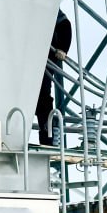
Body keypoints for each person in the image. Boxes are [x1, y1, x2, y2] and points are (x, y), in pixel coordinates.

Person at [36, 9, 72, 146]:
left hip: (46, 54)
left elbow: (64, 25)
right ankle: (48, 135)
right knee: (41, 93)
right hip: (30, 53)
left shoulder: (44, 4)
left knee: (43, 93)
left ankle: (48, 135)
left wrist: (63, 49)